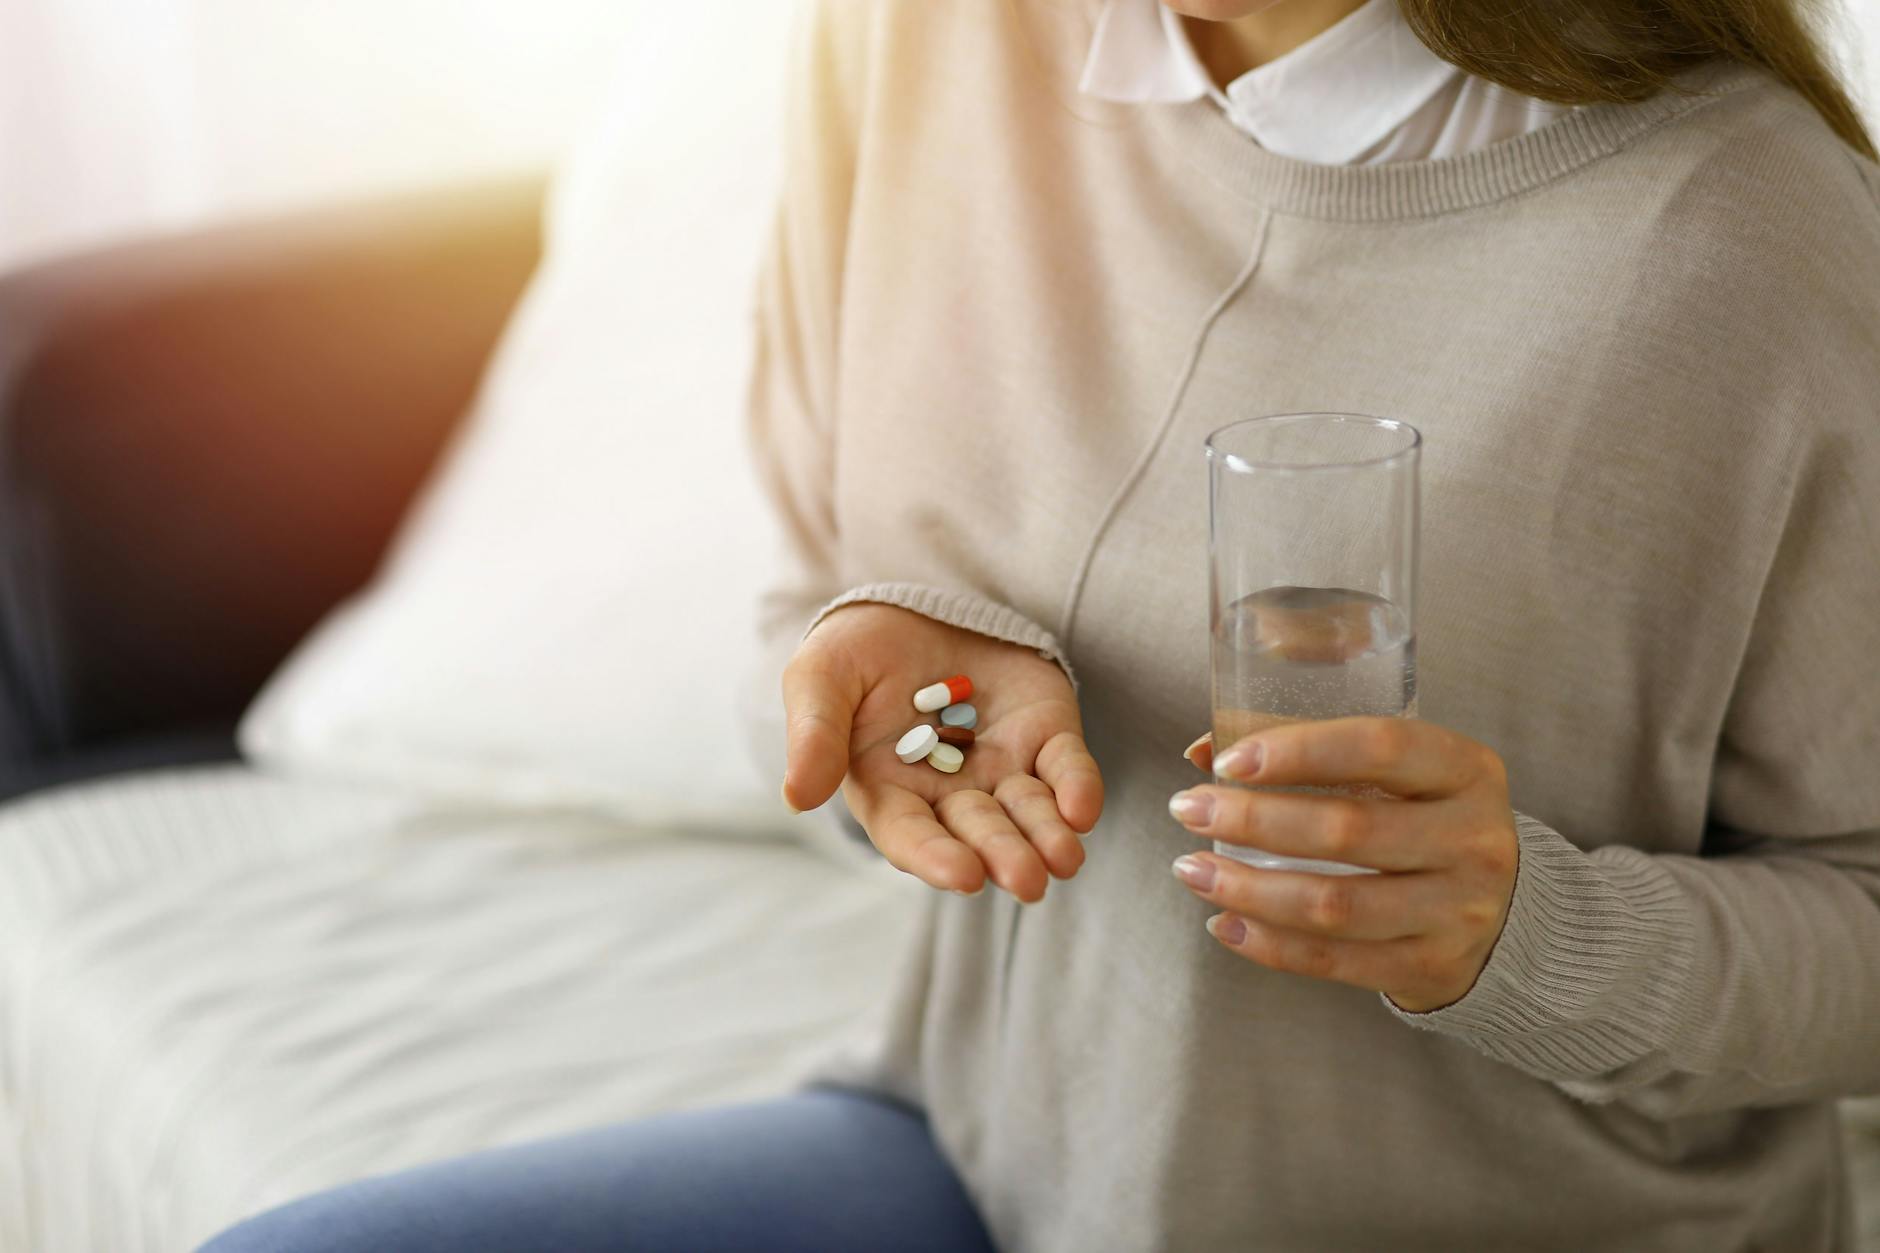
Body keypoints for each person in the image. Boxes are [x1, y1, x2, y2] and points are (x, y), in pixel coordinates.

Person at [201, 0, 1880, 1249]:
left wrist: (1521, 934)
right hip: (989, 1167)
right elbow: (804, 601)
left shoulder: (1760, 241)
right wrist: (880, 694)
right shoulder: (922, 38)